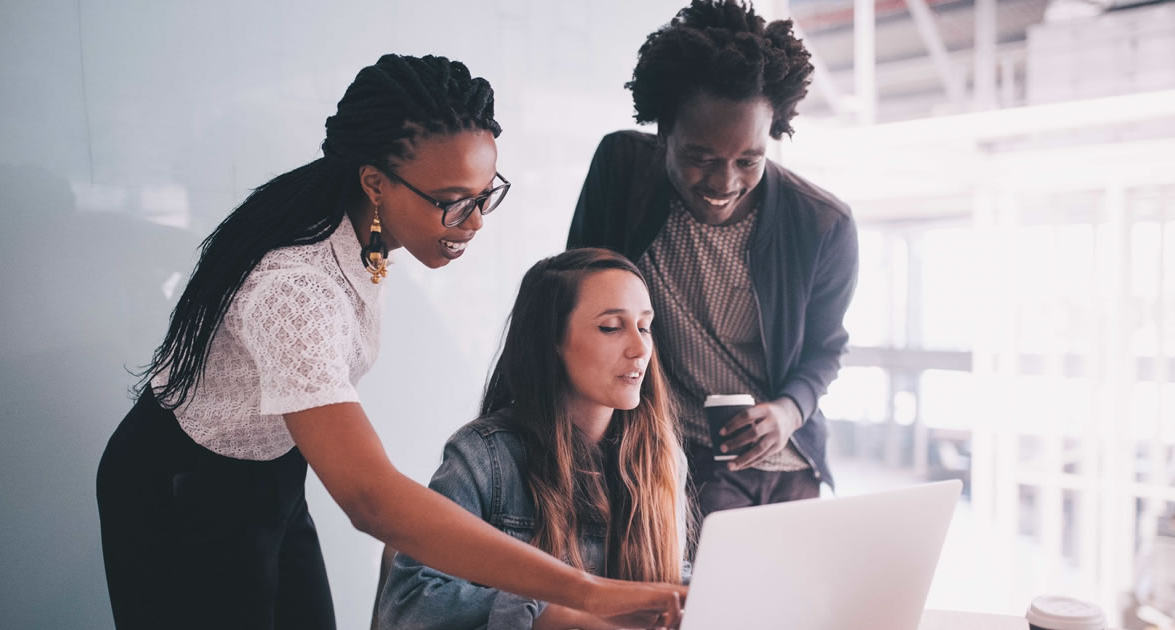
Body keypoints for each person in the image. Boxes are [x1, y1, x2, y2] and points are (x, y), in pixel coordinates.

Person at [96, 54, 684, 630]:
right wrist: (586, 592)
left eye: (485, 194)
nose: (475, 221)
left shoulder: (365, 236)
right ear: (375, 182)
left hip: (272, 475)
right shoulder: (295, 289)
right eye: (454, 201)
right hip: (181, 493)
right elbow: (370, 499)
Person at [567, 0, 859, 524]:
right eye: (700, 158)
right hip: (679, 454)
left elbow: (826, 350)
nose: (725, 183)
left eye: (748, 160)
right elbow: (575, 299)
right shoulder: (624, 171)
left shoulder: (822, 225)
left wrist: (788, 411)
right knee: (702, 600)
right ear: (663, 134)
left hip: (789, 456)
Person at [377, 248, 689, 630]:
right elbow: (408, 606)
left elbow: (668, 578)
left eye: (645, 326)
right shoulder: (484, 456)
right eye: (611, 327)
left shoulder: (661, 456)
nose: (640, 349)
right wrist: (556, 614)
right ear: (552, 341)